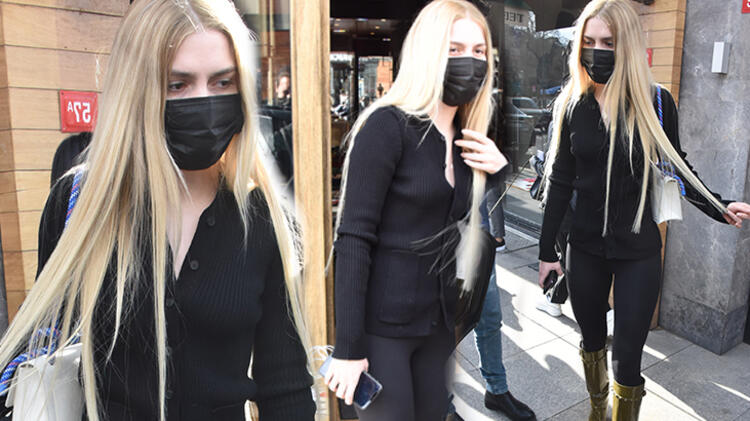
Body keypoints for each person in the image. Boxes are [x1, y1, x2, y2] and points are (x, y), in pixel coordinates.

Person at [0, 1, 315, 420]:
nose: (204, 102)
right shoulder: (82, 205)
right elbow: (42, 343)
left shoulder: (264, 221)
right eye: (177, 84)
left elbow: (286, 387)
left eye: (222, 82)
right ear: (137, 91)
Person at [537, 1, 750, 420]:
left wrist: (718, 206)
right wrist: (547, 253)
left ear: (629, 46)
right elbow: (559, 182)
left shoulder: (655, 102)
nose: (597, 51)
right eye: (589, 42)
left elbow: (676, 166)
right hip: (584, 248)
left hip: (638, 250)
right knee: (592, 340)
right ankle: (597, 409)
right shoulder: (572, 104)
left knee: (628, 360)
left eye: (609, 43)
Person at [324, 1, 508, 420]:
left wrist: (498, 171)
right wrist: (348, 349)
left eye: (478, 51)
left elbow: (464, 220)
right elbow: (353, 238)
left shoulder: (467, 138)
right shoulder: (386, 127)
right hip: (383, 329)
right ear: (428, 51)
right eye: (454, 48)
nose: (469, 61)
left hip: (437, 326)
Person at [447, 194, 536, 421]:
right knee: (442, 330)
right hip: (437, 244)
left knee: (490, 318)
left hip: (477, 237)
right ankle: (442, 405)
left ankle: (496, 390)